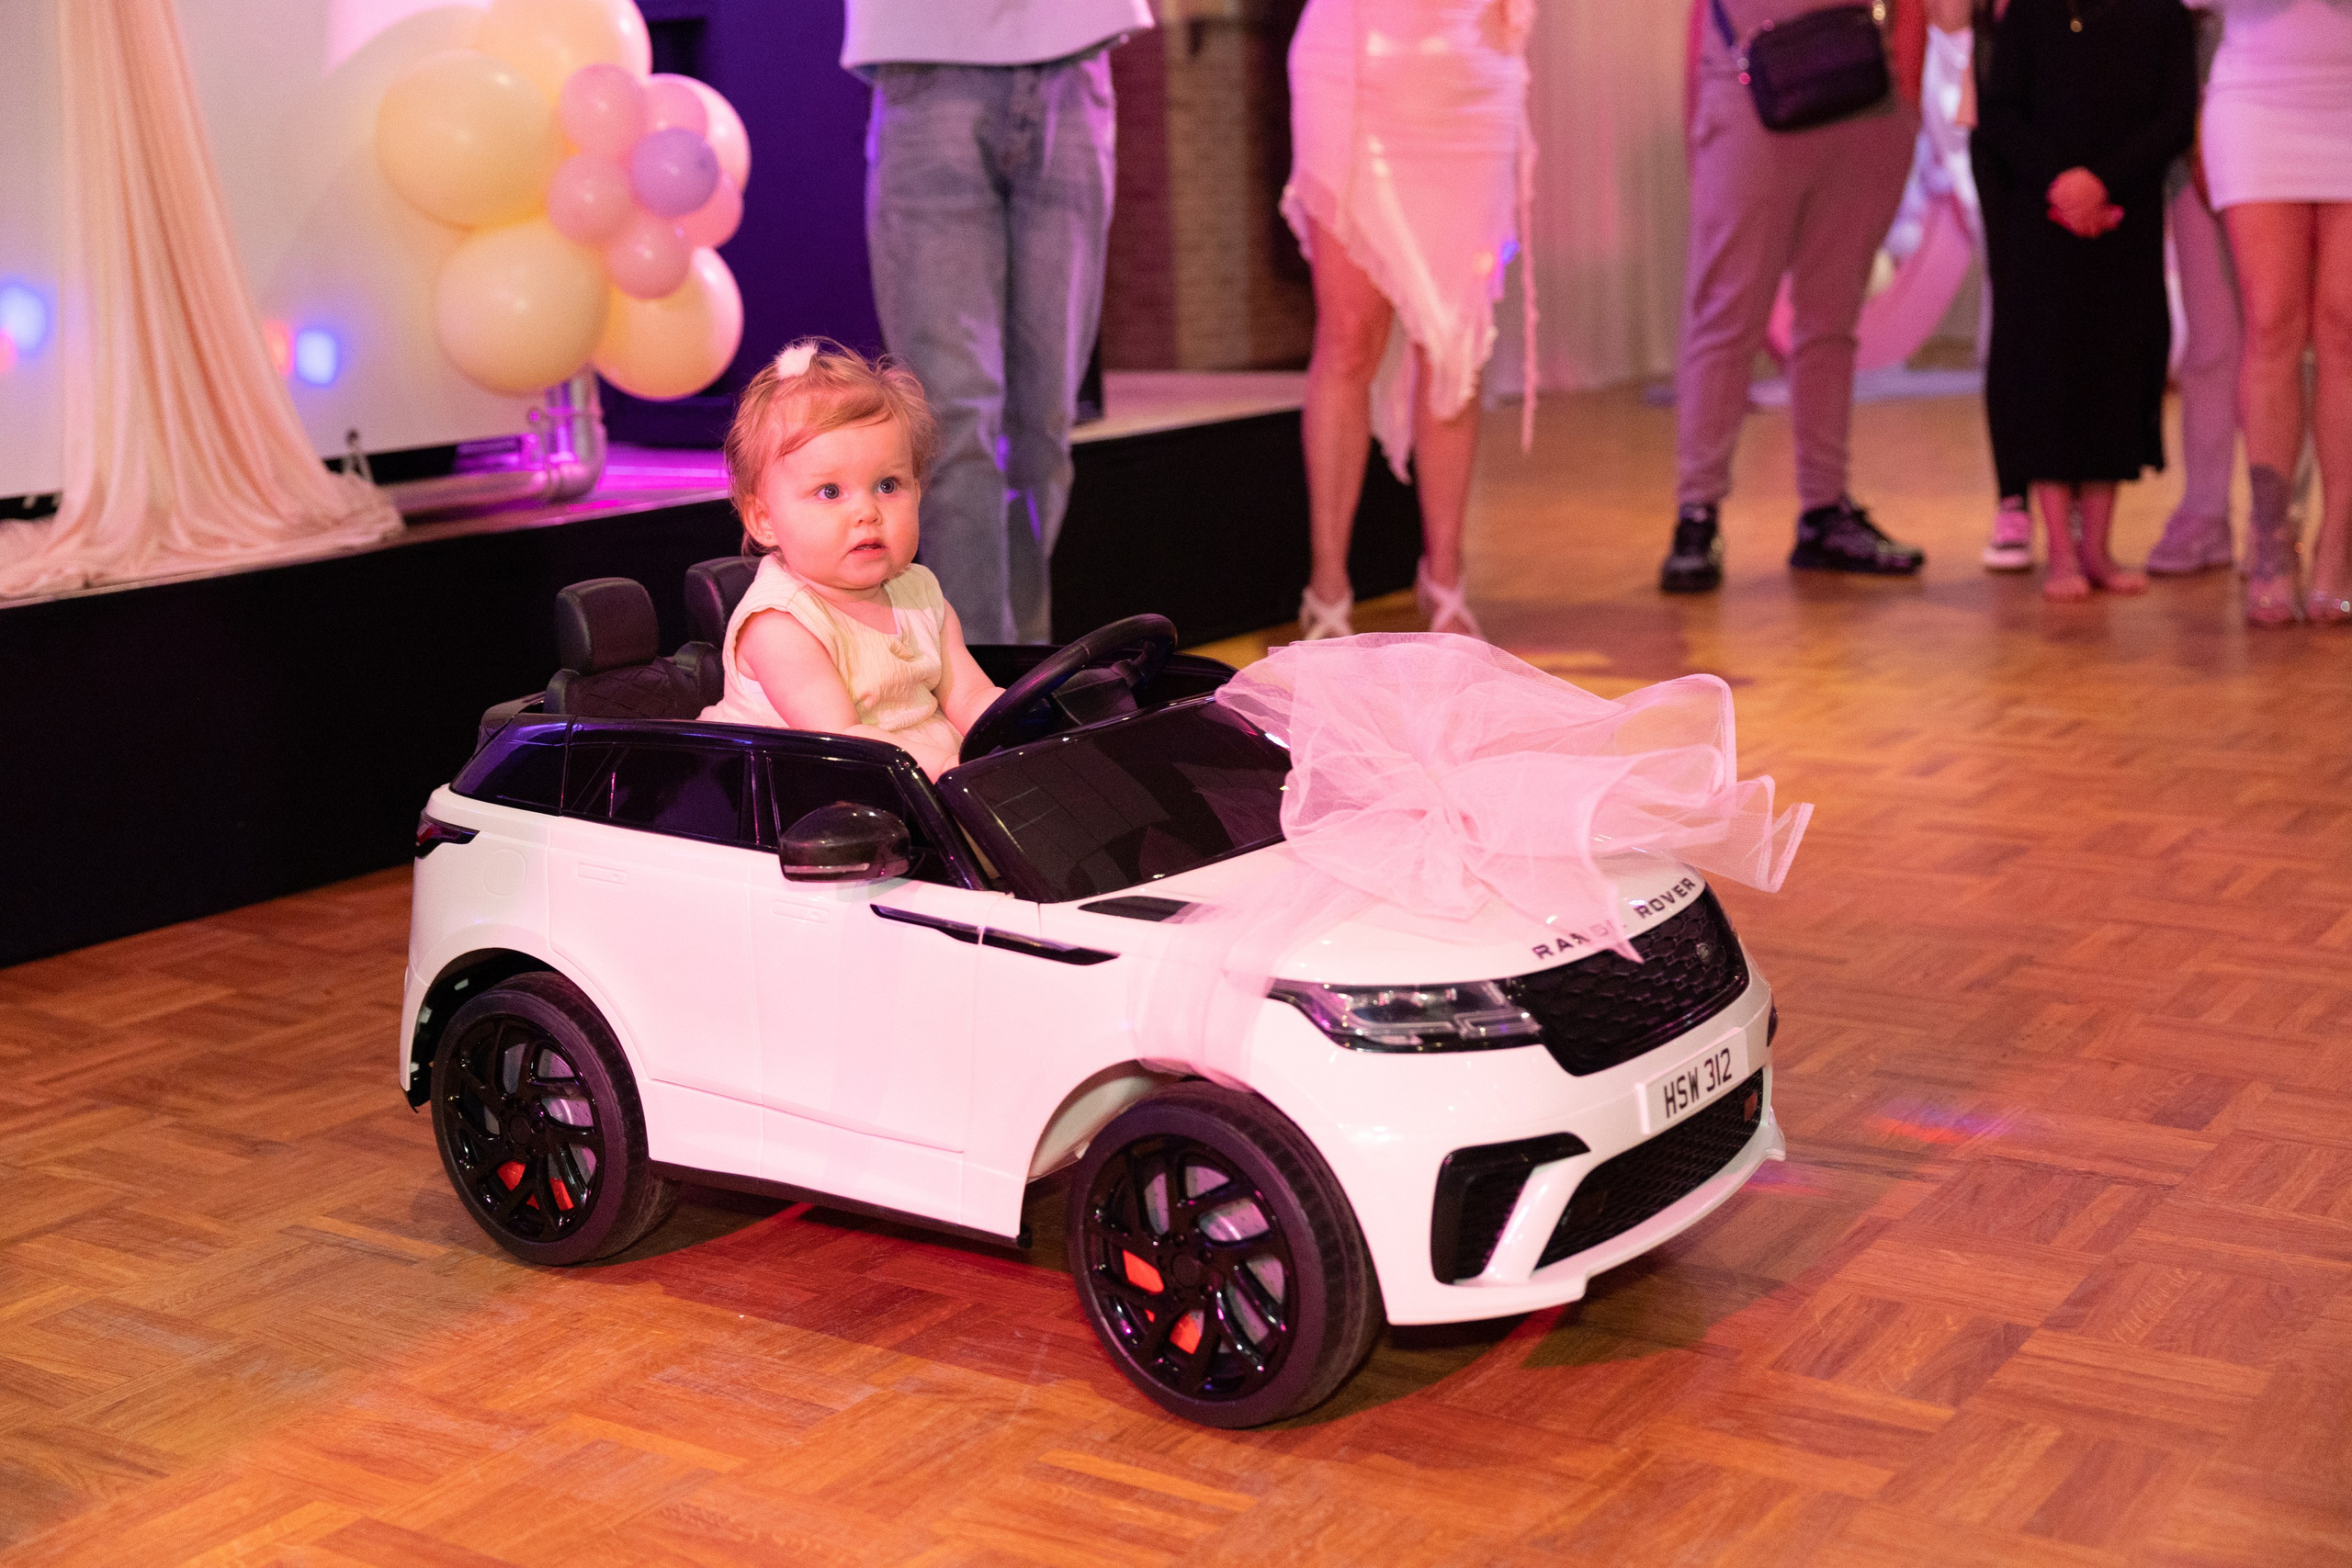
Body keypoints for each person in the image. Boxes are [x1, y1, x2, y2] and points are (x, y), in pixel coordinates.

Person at [845, 0, 1153, 645]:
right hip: (926, 56)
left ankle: (1016, 684)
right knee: (954, 424)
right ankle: (980, 698)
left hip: (1073, 53)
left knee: (1044, 425)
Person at [1283, 0, 1536, 641]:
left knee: (1455, 341)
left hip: (1471, 71)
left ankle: (1446, 577)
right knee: (1348, 340)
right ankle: (1328, 584)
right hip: (1358, 66)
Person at [1661, 0, 1932, 593]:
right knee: (1726, 316)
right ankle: (1697, 514)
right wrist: (1700, 115)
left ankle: (1824, 509)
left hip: (1861, 91)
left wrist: (1906, 96)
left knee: (1831, 321)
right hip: (1748, 87)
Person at [1977, 0, 2196, 602]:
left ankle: (2097, 548)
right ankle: (2061, 552)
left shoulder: (2162, 16)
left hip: (2125, 213)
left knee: (2115, 374)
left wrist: (2102, 182)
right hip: (2042, 217)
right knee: (2050, 373)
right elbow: (1999, 113)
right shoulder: (2029, 13)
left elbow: (2176, 117)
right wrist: (2064, 183)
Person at [703, 343, 1001, 780]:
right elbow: (843, 737)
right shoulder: (780, 625)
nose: (867, 512)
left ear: (918, 493)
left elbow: (971, 696)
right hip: (807, 801)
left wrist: (1023, 729)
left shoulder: (919, 592)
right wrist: (949, 771)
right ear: (765, 521)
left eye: (887, 485)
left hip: (919, 786)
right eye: (830, 492)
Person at [2194, 0, 2352, 624]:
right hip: (2258, 98)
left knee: (2345, 326)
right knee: (2272, 321)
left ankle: (2338, 545)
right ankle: (2271, 542)